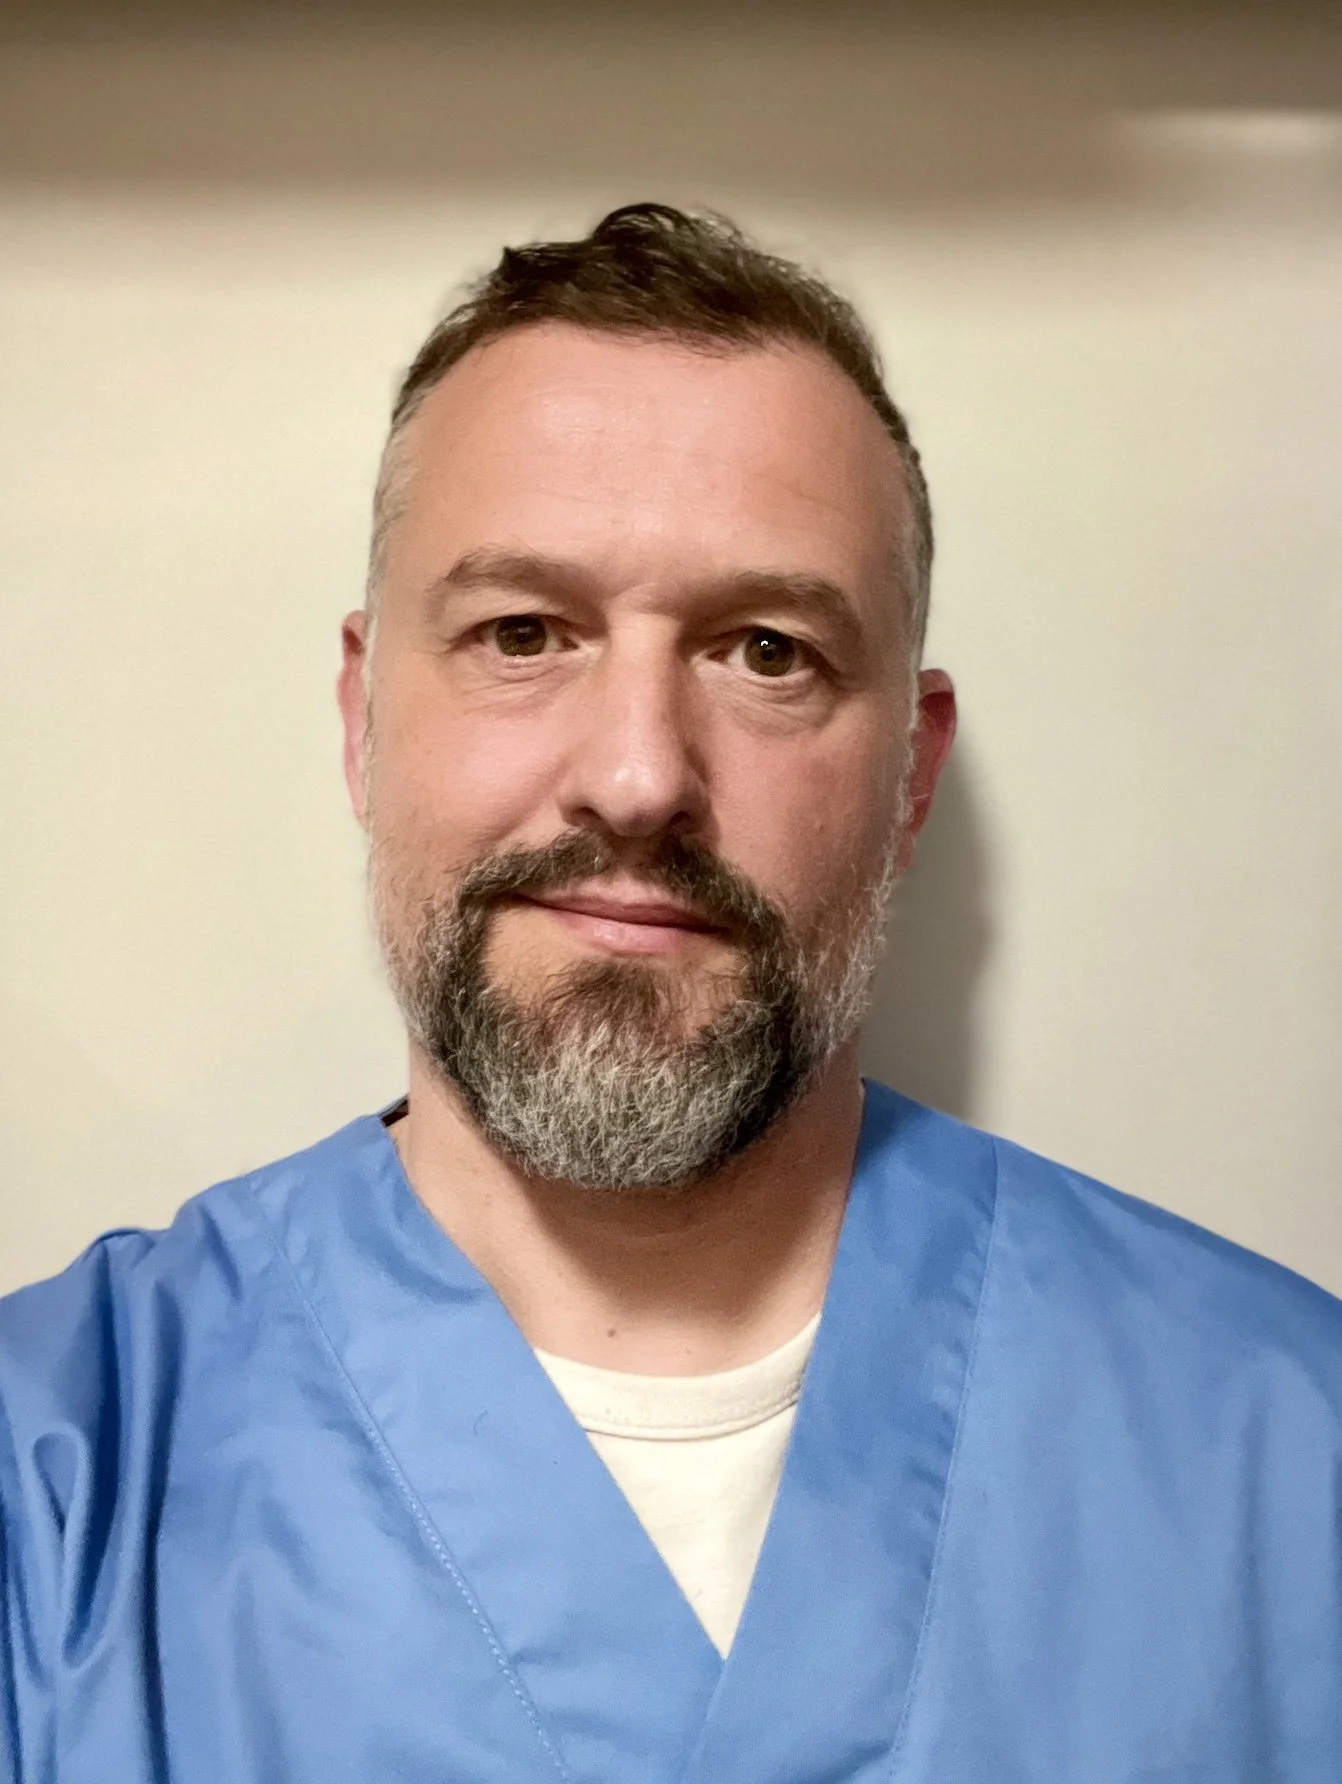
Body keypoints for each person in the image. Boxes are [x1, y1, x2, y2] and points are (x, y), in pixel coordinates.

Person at [2, 201, 1339, 1784]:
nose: (637, 779)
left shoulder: (1287, 1460)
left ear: (910, 776)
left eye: (765, 653)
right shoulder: (51, 1493)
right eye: (522, 632)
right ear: (364, 718)